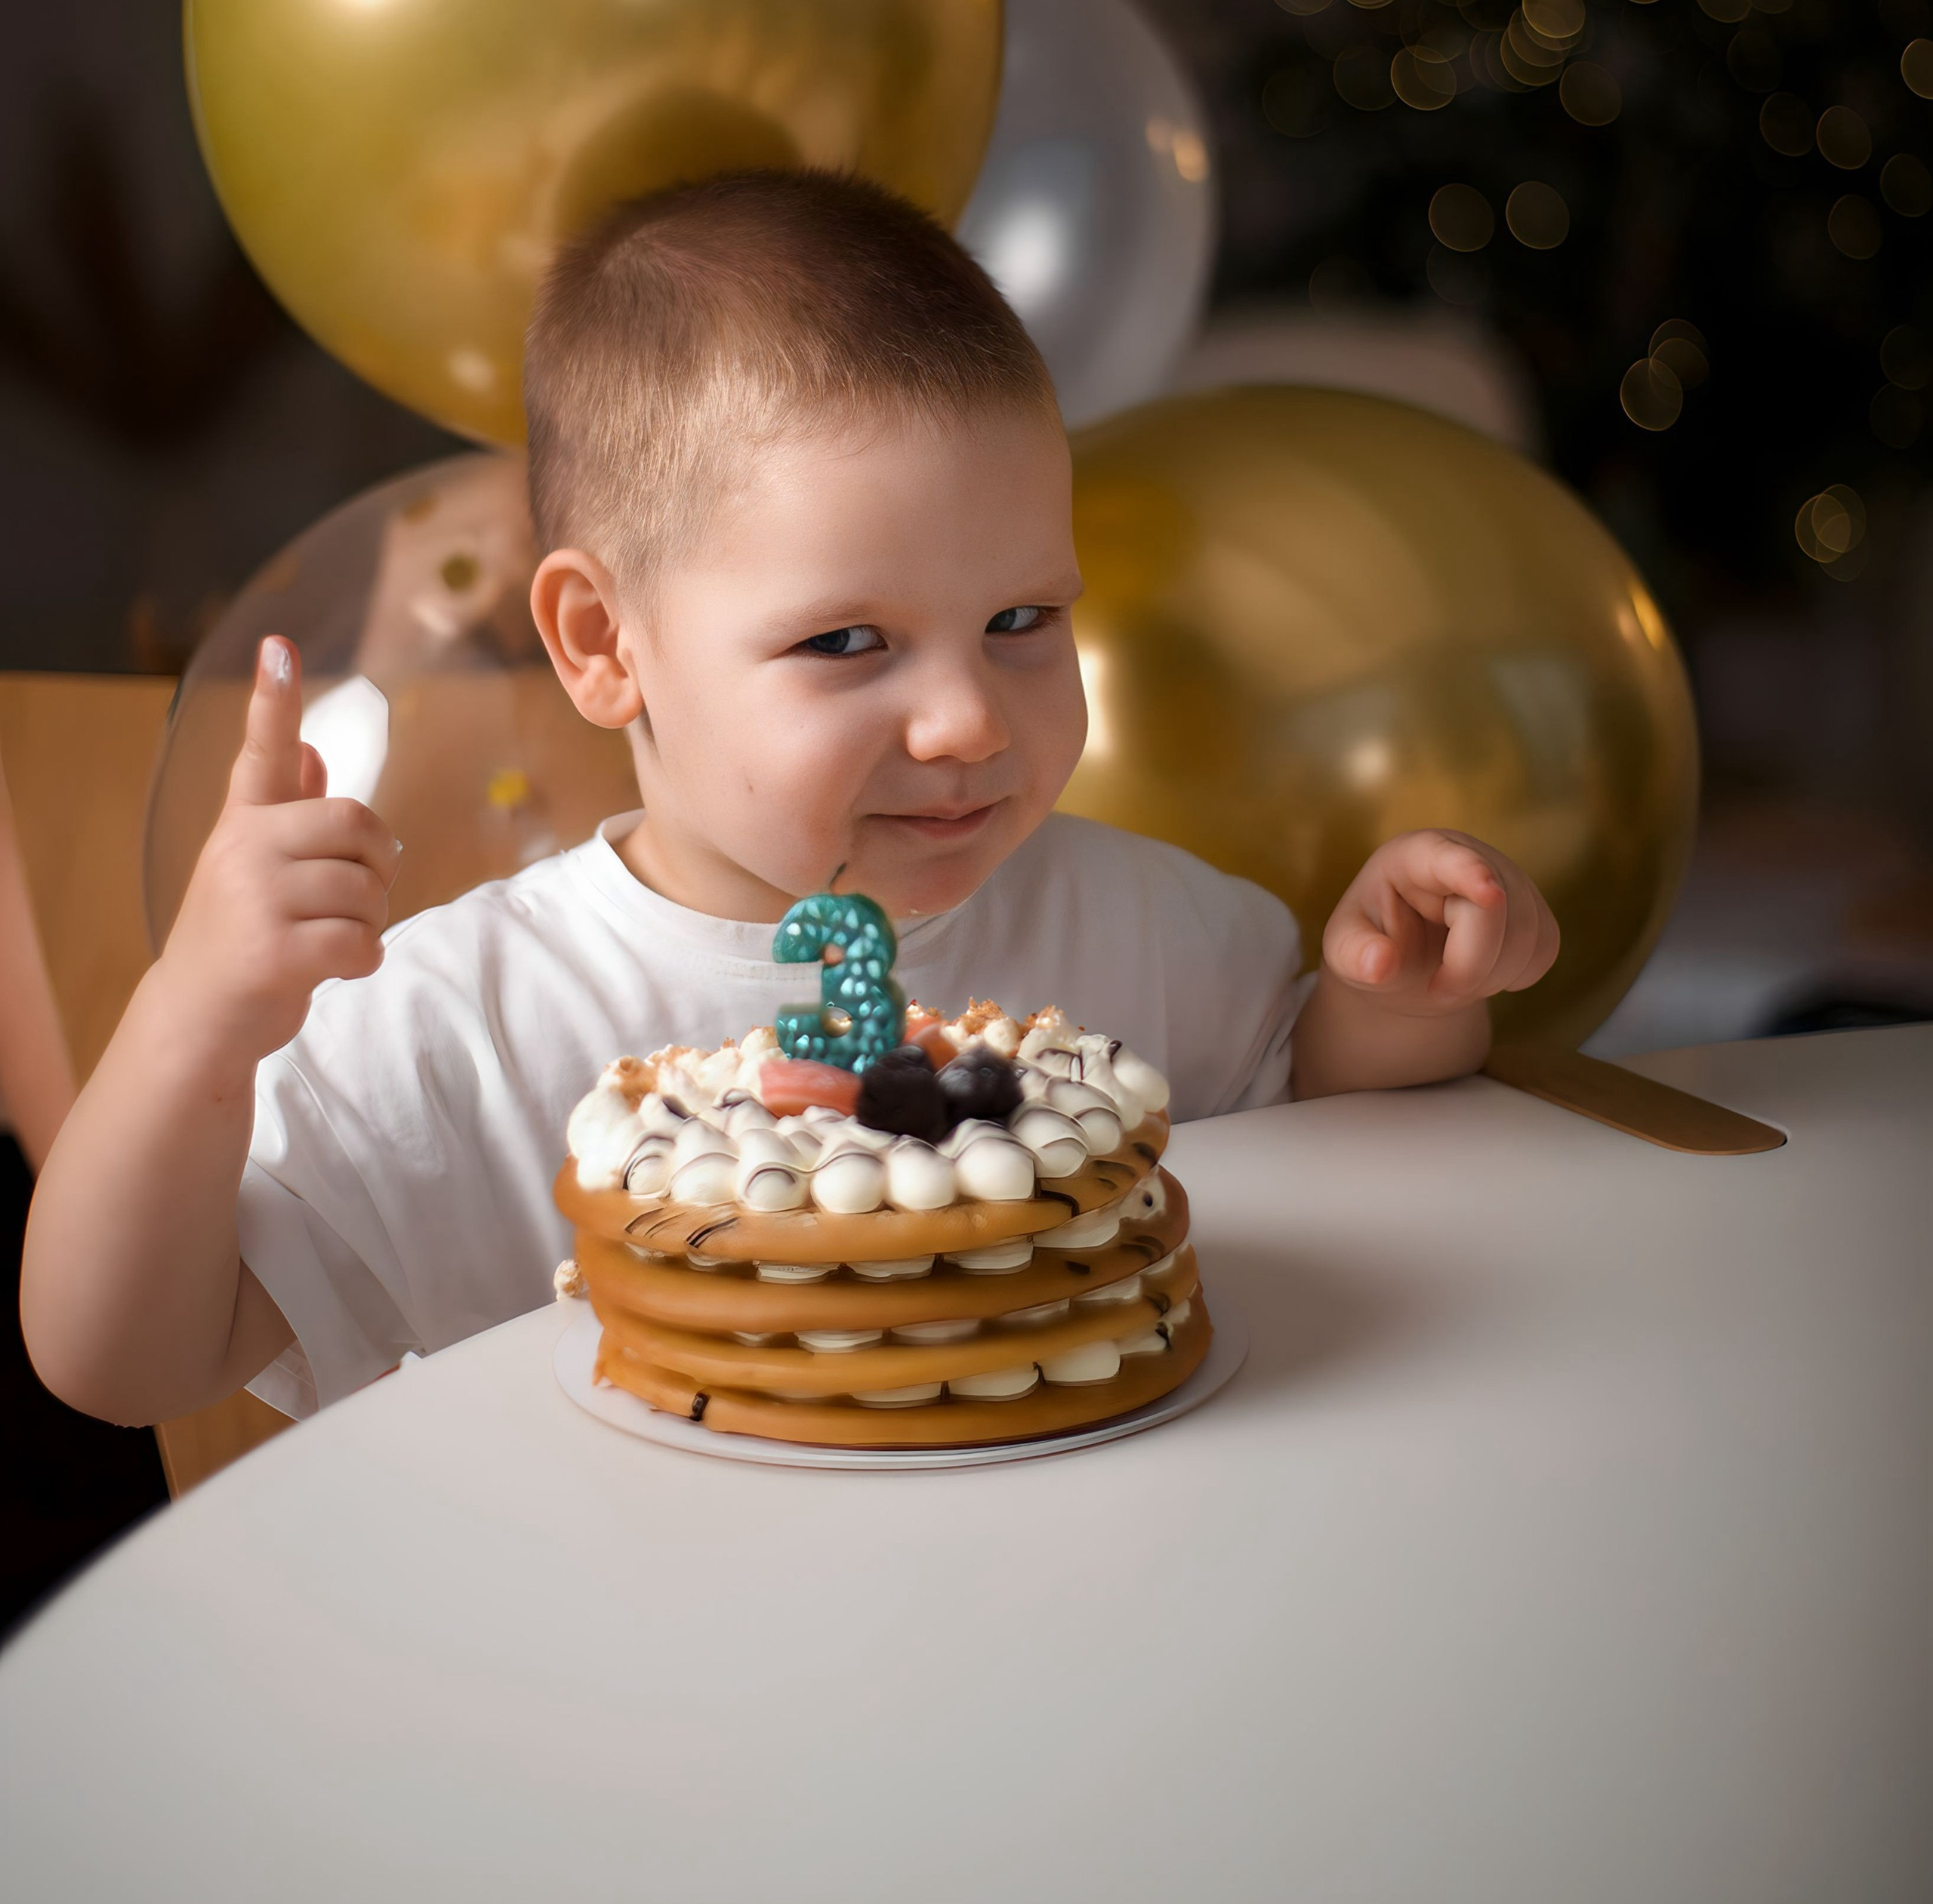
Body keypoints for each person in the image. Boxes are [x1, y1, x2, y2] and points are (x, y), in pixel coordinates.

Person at [23, 171, 1558, 1426]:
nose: (966, 719)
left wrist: (1399, 1002)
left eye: (1021, 619)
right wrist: (194, 1026)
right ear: (602, 643)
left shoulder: (1142, 925)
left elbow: (1341, 1166)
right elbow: (124, 1360)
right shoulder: (461, 1024)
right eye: (843, 642)